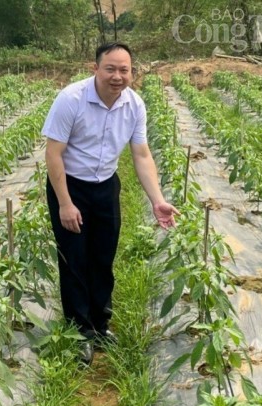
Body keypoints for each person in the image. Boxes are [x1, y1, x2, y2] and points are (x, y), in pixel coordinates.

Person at [41, 42, 179, 366]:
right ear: (95, 69)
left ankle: (100, 325)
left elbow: (141, 155)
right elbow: (53, 154)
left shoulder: (134, 105)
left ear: (132, 73)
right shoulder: (71, 99)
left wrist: (157, 200)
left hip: (105, 185)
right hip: (70, 185)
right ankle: (79, 332)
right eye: (110, 69)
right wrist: (65, 203)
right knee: (74, 260)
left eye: (124, 70)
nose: (117, 76)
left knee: (103, 257)